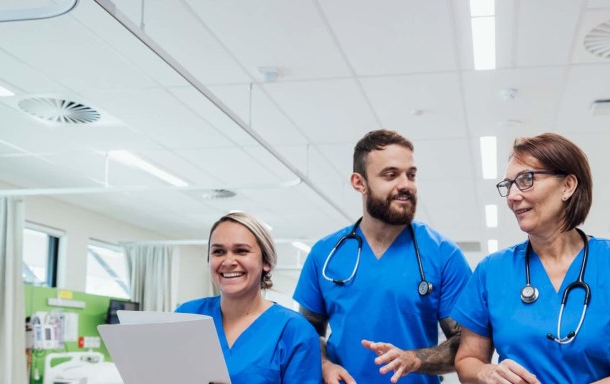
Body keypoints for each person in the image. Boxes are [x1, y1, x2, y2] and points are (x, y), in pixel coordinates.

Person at [452, 133, 610, 384]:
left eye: (525, 179)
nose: (512, 196)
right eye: (508, 185)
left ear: (568, 185)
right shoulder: (492, 270)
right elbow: (468, 360)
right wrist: (485, 372)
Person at [294, 129, 473, 384]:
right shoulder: (325, 254)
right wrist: (323, 364)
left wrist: (415, 359)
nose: (405, 185)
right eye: (391, 175)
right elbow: (306, 331)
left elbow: (468, 343)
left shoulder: (443, 254)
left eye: (411, 175)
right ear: (360, 182)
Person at [176, 212, 322, 383]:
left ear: (266, 262)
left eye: (241, 251)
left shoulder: (295, 331)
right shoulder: (186, 316)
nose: (228, 261)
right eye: (218, 251)